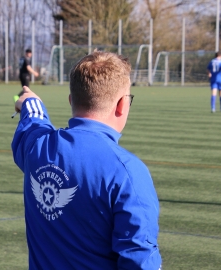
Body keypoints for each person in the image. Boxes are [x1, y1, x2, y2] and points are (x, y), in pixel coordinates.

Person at [12, 51, 162, 269]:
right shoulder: (127, 172)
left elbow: (33, 122)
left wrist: (30, 102)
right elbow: (139, 261)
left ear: (71, 100)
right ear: (122, 104)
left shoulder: (38, 148)